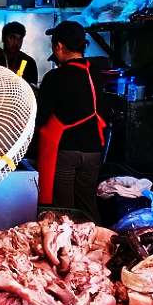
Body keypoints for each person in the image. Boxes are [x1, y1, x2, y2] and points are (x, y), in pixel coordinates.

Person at [36, 21, 106, 222]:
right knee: (87, 207)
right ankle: (96, 239)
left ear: (59, 46)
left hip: (65, 152)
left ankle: (66, 242)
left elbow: (41, 117)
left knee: (63, 211)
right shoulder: (96, 72)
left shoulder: (54, 77)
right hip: (93, 151)